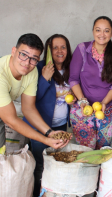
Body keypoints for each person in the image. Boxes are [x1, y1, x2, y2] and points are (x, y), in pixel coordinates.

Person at [23, 34, 74, 197]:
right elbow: (30, 101)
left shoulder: (71, 70)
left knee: (56, 160)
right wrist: (44, 79)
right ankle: (37, 193)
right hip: (39, 126)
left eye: (63, 47)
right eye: (55, 47)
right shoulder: (37, 68)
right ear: (49, 51)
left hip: (60, 125)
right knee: (40, 164)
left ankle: (51, 193)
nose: (60, 50)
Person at [0, 33, 69, 150]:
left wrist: (49, 133)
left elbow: (28, 108)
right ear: (13, 51)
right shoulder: (1, 74)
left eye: (33, 59)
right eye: (23, 54)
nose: (27, 62)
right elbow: (11, 120)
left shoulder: (32, 72)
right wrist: (45, 139)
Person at [69, 16, 112, 150]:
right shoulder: (82, 49)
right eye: (98, 30)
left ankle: (101, 172)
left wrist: (104, 103)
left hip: (108, 109)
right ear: (93, 31)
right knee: (85, 150)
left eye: (106, 31)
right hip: (82, 110)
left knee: (102, 151)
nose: (102, 34)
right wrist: (82, 101)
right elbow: (73, 79)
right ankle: (87, 172)